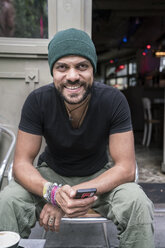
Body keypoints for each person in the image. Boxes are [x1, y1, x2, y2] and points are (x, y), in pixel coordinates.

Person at [0, 28, 154, 247]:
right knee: (8, 200)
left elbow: (126, 168)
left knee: (137, 203)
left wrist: (70, 197)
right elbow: (22, 164)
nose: (72, 76)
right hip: (51, 176)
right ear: (53, 71)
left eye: (82, 66)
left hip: (99, 178)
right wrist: (53, 193)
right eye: (62, 67)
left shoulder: (113, 100)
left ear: (93, 69)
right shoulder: (37, 101)